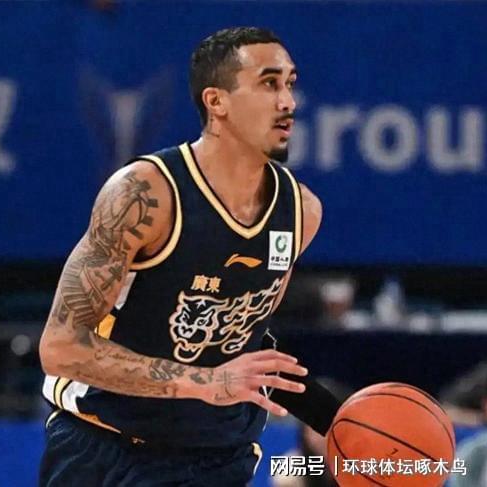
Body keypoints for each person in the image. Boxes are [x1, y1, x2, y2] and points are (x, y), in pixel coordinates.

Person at [38, 27, 342, 486]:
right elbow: (61, 348)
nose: (288, 102)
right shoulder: (144, 195)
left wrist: (336, 419)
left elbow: (239, 340)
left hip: (218, 458)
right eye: (269, 83)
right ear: (216, 101)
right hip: (109, 448)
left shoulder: (302, 212)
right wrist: (206, 383)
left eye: (290, 84)